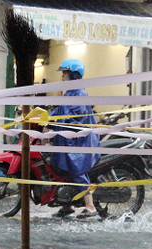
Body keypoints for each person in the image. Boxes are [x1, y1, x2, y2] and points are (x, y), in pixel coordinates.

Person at [48, 59, 101, 219]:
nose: (62, 76)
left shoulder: (79, 93)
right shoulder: (71, 92)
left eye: (64, 73)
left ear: (73, 74)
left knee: (76, 169)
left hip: (79, 141)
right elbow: (60, 111)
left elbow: (74, 119)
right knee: (62, 170)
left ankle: (90, 207)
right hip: (68, 139)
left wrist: (54, 121)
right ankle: (67, 205)